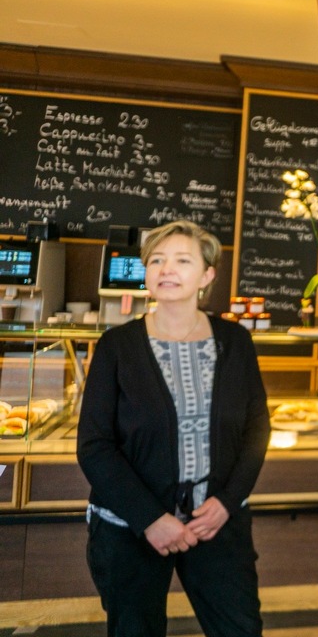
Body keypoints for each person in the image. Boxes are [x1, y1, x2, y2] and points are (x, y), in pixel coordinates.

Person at [78, 220, 269, 637]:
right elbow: (94, 446)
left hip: (215, 520)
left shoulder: (235, 341)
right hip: (130, 526)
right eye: (157, 260)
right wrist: (150, 519)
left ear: (207, 275)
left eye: (182, 260)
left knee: (240, 628)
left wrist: (226, 502)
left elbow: (257, 429)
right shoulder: (117, 346)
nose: (167, 269)